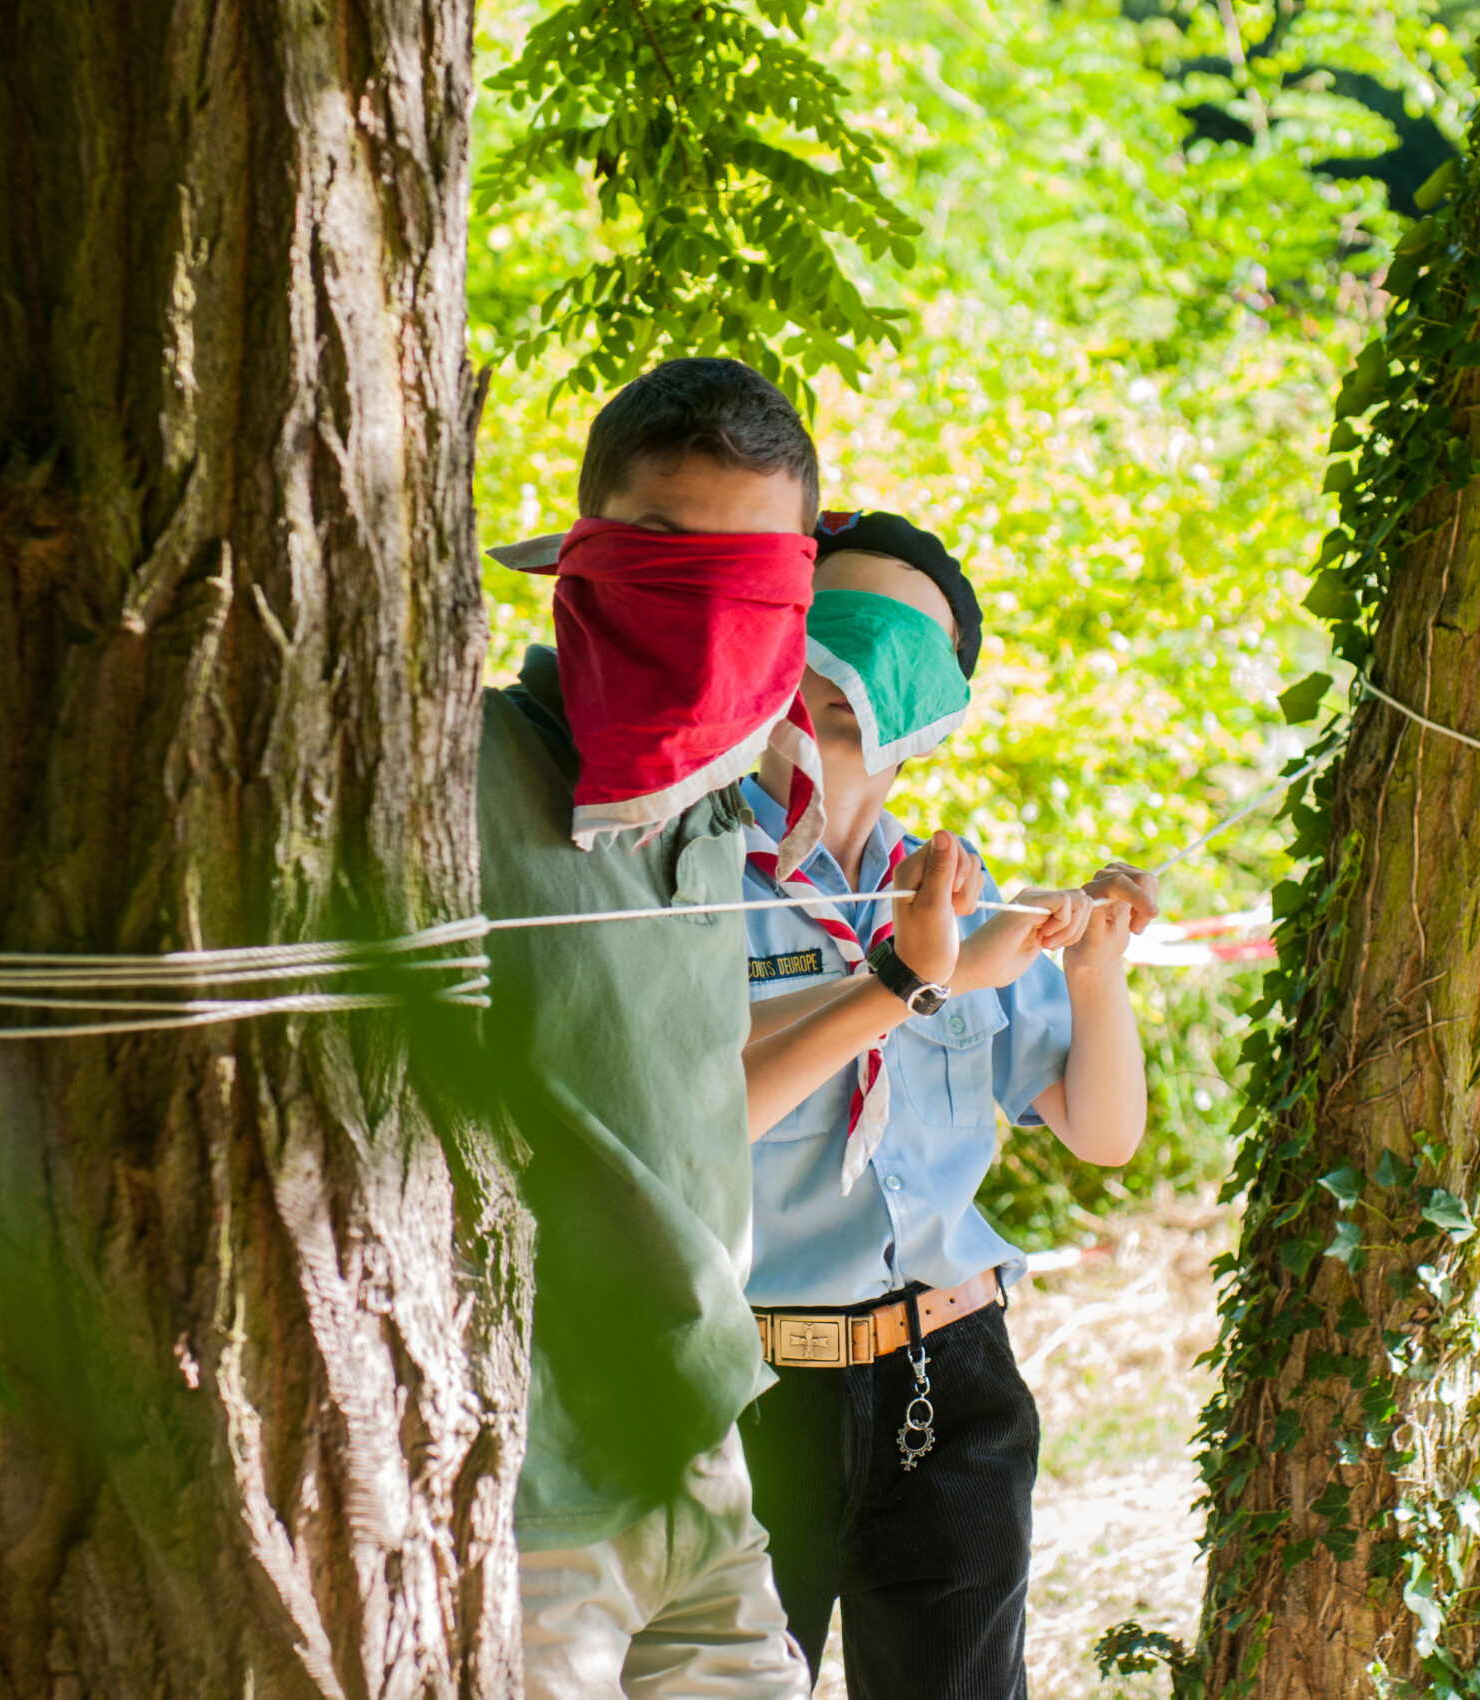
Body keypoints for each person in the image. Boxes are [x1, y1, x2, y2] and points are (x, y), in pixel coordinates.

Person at [477, 363, 977, 1700]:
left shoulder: (716, 821)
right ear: (580, 566)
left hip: (703, 1456)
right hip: (530, 1494)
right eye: (664, 573)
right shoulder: (460, 774)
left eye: (745, 593)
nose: (704, 639)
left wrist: (897, 983)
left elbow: (697, 1107)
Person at [730, 511, 1161, 1698]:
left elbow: (1103, 1131)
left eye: (889, 651)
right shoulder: (686, 878)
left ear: (936, 704)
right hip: (754, 1382)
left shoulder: (962, 893)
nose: (840, 675)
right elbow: (697, 1107)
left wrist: (1093, 966)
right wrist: (896, 979)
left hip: (951, 1375)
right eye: (821, 633)